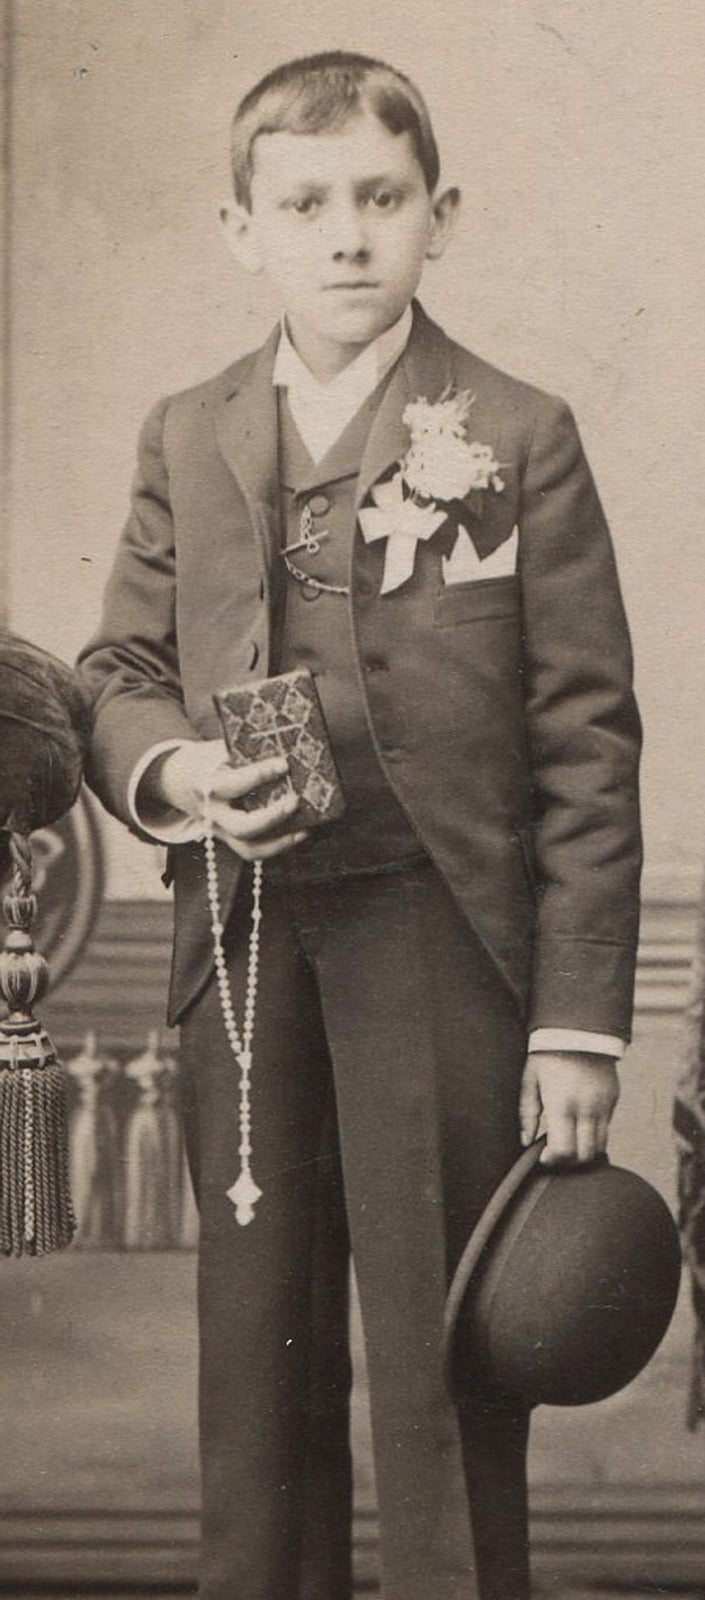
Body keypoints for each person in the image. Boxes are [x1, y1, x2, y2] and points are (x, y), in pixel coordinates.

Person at [78, 51, 642, 1600]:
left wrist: (578, 1023)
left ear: (434, 216)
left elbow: (586, 744)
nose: (345, 236)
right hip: (242, 952)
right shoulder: (187, 432)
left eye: (378, 200)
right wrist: (180, 777)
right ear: (238, 227)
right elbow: (118, 672)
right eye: (305, 203)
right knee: (253, 1363)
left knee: (445, 1354)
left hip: (436, 942)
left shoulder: (512, 435)